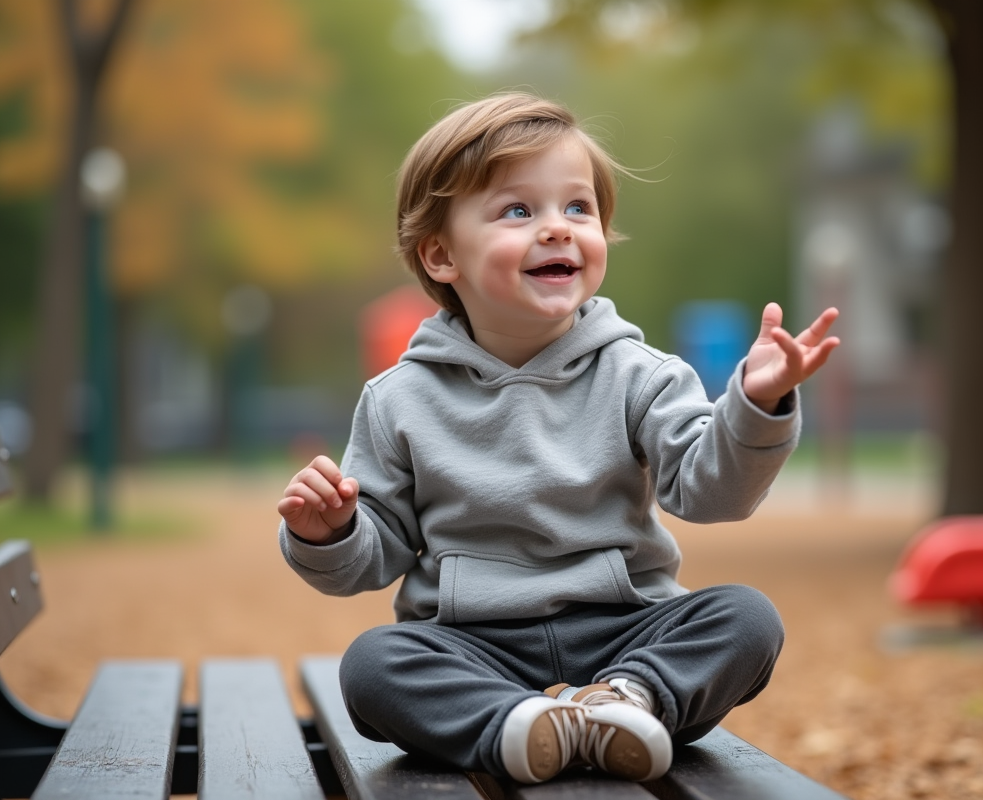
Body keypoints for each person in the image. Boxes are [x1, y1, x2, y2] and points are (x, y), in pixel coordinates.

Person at [276, 92, 839, 784]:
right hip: (473, 645)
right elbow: (375, 555)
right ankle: (516, 726)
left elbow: (710, 493)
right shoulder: (400, 399)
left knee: (747, 618)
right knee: (372, 667)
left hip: (625, 629)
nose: (558, 229)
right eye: (519, 210)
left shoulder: (641, 374)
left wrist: (756, 402)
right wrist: (327, 533)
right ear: (441, 255)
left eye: (578, 208)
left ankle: (626, 703)